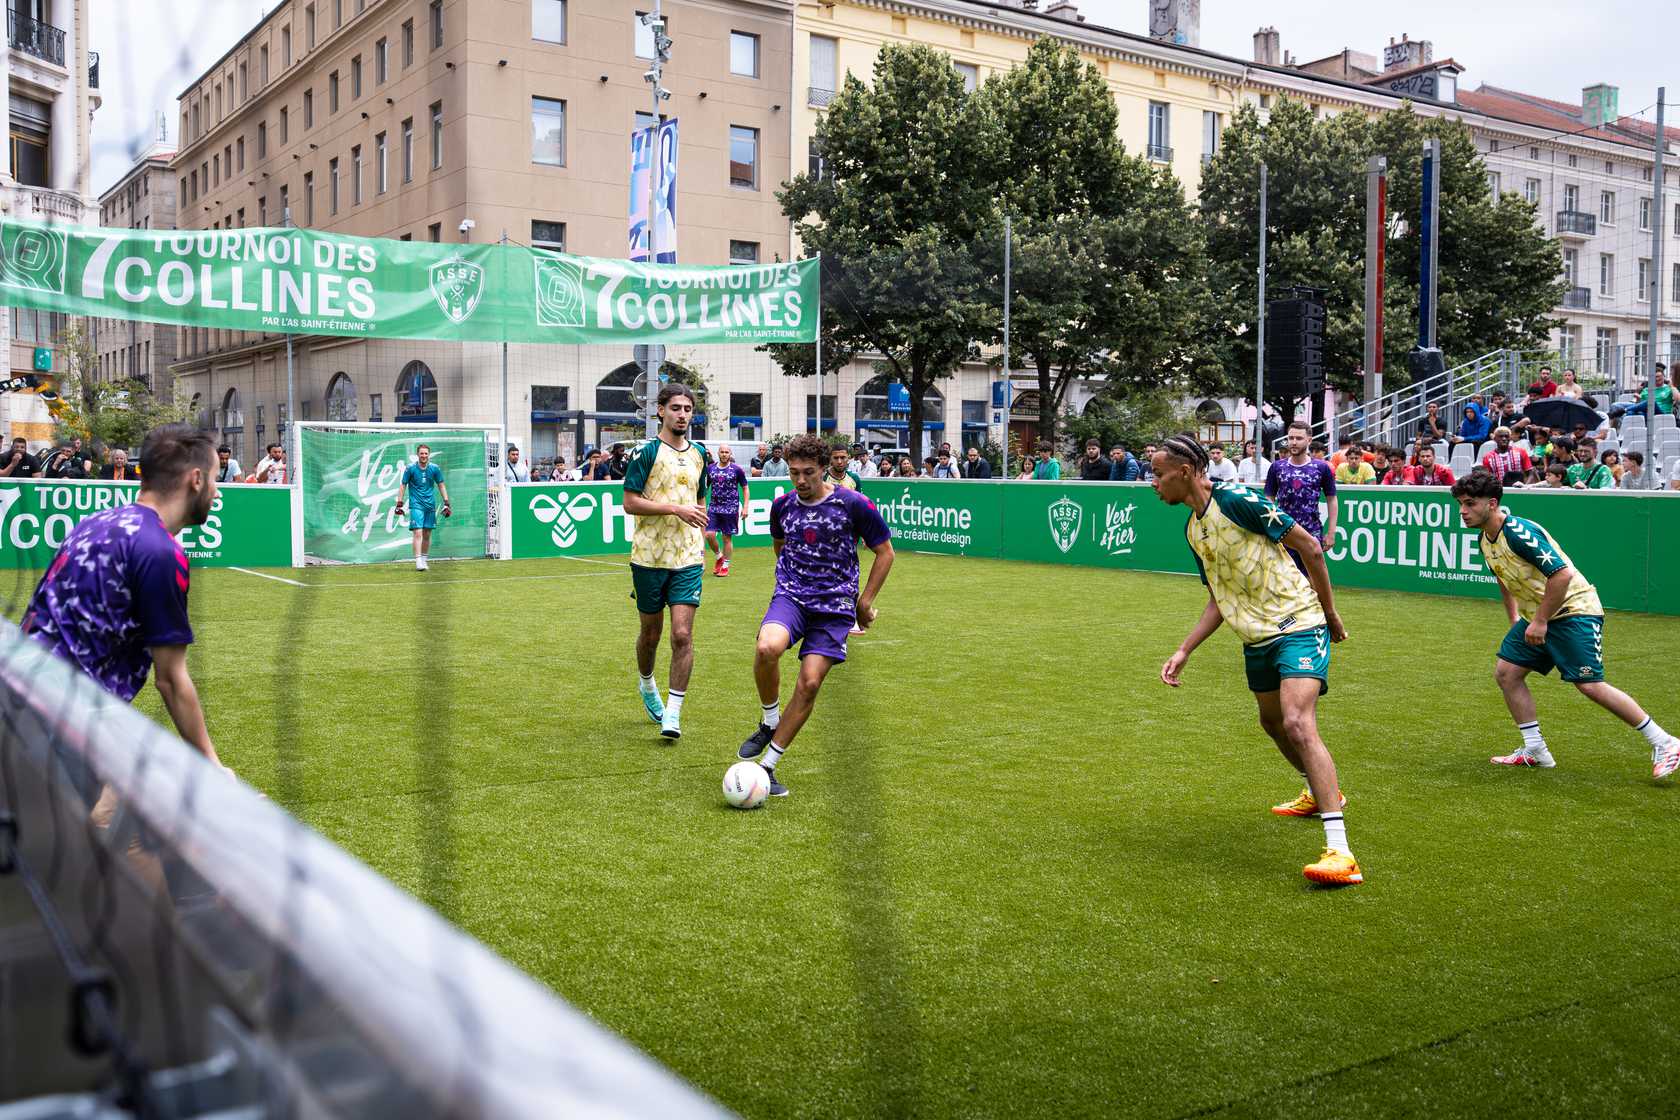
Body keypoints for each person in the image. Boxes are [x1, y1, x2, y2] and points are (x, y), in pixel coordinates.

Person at [1151, 434, 1359, 887]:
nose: (1153, 483)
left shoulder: (1240, 500)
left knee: (1298, 722)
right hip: (1257, 638)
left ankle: (1340, 852)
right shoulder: (1192, 531)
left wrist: (1329, 613)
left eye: (1158, 473)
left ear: (1184, 473)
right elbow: (1218, 599)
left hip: (1300, 623)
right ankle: (1322, 790)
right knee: (1272, 723)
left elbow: (1311, 547)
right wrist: (1185, 649)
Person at [23, 423, 231, 774]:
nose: (216, 491)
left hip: (24, 696)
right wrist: (214, 767)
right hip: (62, 726)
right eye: (213, 479)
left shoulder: (94, 522)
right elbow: (171, 679)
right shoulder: (161, 551)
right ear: (196, 479)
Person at [1450, 468, 1678, 775]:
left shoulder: (1518, 532)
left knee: (1589, 684)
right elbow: (1504, 580)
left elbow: (1562, 574)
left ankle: (1664, 741)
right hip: (1539, 616)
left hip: (1574, 611)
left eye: (1469, 503)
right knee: (1507, 673)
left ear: (1492, 503)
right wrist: (1517, 619)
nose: (1463, 511)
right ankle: (1535, 750)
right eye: (1460, 504)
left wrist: (1540, 621)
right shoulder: (1485, 540)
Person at [736, 434, 893, 798]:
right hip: (792, 597)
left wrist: (863, 603)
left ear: (825, 468)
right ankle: (769, 721)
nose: (801, 480)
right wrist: (793, 582)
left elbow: (885, 553)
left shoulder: (854, 504)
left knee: (808, 683)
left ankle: (768, 768)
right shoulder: (783, 506)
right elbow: (780, 547)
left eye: (809, 472)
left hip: (835, 609)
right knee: (766, 648)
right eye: (794, 473)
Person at [621, 384, 709, 740]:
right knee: (651, 634)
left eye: (688, 408)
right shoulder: (646, 452)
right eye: (676, 407)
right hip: (648, 557)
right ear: (660, 411)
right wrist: (675, 508)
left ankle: (673, 712)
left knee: (682, 634)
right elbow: (629, 502)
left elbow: (698, 502)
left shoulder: (700, 453)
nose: (683, 414)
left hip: (687, 558)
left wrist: (703, 540)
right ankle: (646, 684)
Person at [1265, 421, 1339, 568]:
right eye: (1290, 438)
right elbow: (1269, 498)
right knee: (1285, 579)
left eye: (1298, 439)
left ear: (1309, 440)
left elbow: (1332, 499)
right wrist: (1269, 528)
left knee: (1312, 580)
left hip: (1311, 532)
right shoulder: (1277, 467)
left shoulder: (1321, 467)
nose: (1293, 442)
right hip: (1283, 530)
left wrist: (1331, 533)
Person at [393, 443, 450, 571]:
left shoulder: (435, 468)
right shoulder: (410, 468)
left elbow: (441, 485)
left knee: (427, 534)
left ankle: (424, 560)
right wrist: (399, 503)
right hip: (416, 504)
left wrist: (446, 502)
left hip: (430, 505)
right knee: (418, 532)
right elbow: (403, 485)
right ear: (417, 455)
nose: (423, 455)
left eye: (426, 453)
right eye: (421, 453)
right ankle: (418, 561)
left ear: (428, 455)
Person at [704, 442, 750, 578]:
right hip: (713, 507)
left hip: (730, 508)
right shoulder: (710, 469)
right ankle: (719, 557)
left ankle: (725, 565)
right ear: (718, 453)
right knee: (709, 535)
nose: (724, 454)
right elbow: (705, 488)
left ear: (730, 454)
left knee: (726, 538)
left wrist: (746, 506)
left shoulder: (737, 469)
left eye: (727, 452)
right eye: (722, 452)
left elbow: (745, 488)